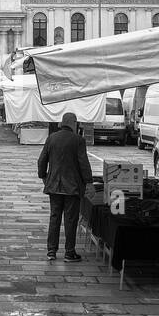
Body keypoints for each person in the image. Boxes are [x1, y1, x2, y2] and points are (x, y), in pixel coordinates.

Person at [37, 112, 93, 262]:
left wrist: (43, 176)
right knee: (70, 219)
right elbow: (83, 163)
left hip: (54, 185)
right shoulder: (78, 140)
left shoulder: (52, 138)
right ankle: (69, 252)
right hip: (72, 187)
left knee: (54, 217)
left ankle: (51, 251)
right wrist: (89, 182)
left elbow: (42, 160)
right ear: (73, 123)